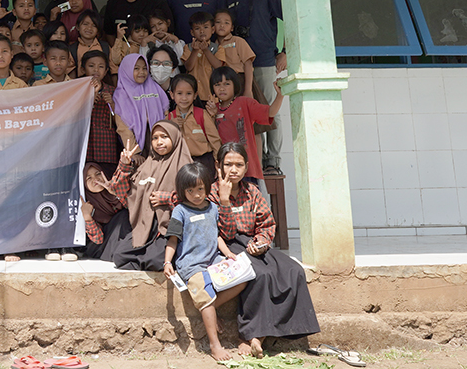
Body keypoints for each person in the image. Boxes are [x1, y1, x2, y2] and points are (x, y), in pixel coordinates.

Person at [210, 142, 319, 356]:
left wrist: (261, 241)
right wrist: (224, 200)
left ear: (247, 166)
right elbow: (227, 232)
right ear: (218, 166)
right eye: (228, 164)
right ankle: (250, 336)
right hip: (227, 245)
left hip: (253, 243)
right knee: (260, 275)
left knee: (293, 271)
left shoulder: (252, 191)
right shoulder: (211, 194)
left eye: (239, 165)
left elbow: (267, 223)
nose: (233, 170)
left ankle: (281, 331)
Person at [164, 161, 247, 362]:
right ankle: (214, 345)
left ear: (207, 187)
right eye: (190, 190)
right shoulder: (180, 211)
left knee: (243, 279)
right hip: (192, 266)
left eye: (201, 189)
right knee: (205, 294)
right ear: (183, 191)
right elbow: (173, 239)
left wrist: (227, 253)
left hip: (214, 260)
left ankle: (210, 308)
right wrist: (168, 262)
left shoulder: (212, 208)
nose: (197, 194)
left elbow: (216, 235)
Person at [88, 120, 192, 270]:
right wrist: (124, 165)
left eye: (164, 137)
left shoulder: (185, 166)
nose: (159, 142)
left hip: (170, 228)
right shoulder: (147, 166)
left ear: (175, 138)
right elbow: (126, 196)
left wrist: (168, 198)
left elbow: (197, 198)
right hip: (146, 226)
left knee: (155, 260)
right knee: (120, 256)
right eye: (155, 138)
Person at [224, 0, 287, 175]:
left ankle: (273, 161)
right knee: (248, 113)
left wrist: (286, 52)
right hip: (239, 66)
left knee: (271, 109)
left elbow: (291, 18)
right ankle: (254, 158)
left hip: (265, 60)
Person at [206, 67, 283, 182]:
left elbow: (270, 112)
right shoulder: (212, 109)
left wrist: (280, 95)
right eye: (217, 85)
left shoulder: (244, 103)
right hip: (224, 169)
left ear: (235, 85)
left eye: (227, 84)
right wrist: (211, 116)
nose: (222, 88)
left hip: (247, 169)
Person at [79, 50, 134, 177]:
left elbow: (122, 120)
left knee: (106, 175)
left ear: (106, 70)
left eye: (101, 66)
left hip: (106, 144)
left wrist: (113, 105)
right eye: (91, 66)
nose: (96, 70)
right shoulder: (77, 90)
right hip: (84, 144)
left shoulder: (113, 91)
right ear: (83, 69)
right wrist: (89, 101)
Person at [112, 53, 169, 153]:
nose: (141, 72)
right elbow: (123, 127)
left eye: (144, 68)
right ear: (127, 70)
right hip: (137, 147)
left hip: (160, 143)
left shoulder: (155, 88)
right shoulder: (121, 95)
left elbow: (166, 114)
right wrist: (134, 151)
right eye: (136, 68)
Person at [167, 74, 221, 176]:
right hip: (180, 163)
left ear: (195, 95)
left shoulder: (202, 114)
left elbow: (215, 140)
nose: (184, 98)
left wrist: (218, 164)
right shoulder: (169, 118)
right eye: (179, 93)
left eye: (188, 93)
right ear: (172, 95)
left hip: (204, 162)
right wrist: (172, 127)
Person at [214, 8, 258, 102]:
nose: (222, 25)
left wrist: (248, 90)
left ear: (232, 28)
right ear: (213, 27)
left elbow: (248, 64)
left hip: (241, 83)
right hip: (222, 86)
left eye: (226, 23)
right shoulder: (212, 47)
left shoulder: (238, 41)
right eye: (218, 22)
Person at [184, 11, 221, 102]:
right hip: (193, 94)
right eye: (197, 28)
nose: (202, 31)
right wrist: (195, 51)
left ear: (213, 30)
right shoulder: (188, 47)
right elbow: (188, 66)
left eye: (205, 27)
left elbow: (218, 66)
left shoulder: (218, 48)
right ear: (192, 32)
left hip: (212, 94)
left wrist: (206, 50)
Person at [70, 10, 107, 76]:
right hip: (81, 84)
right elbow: (71, 72)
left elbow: (113, 70)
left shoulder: (105, 47)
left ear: (98, 30)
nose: (89, 28)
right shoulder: (72, 49)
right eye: (85, 24)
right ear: (78, 27)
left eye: (94, 25)